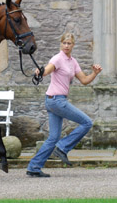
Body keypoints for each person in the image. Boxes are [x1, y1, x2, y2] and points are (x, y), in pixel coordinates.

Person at [26, 33, 102, 177]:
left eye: (69, 43)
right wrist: (40, 72)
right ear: (61, 44)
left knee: (53, 137)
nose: (66, 46)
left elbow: (84, 80)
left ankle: (34, 167)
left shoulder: (73, 62)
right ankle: (62, 148)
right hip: (56, 100)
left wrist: (95, 73)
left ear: (73, 45)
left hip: (56, 101)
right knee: (87, 122)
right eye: (64, 43)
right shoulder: (57, 58)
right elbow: (48, 70)